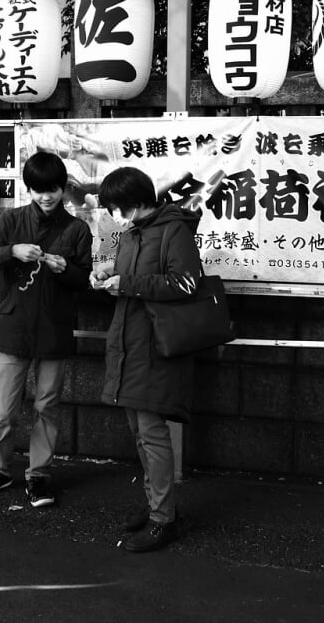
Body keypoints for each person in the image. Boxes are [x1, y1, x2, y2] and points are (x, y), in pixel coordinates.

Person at [0, 152, 93, 508]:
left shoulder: (77, 229)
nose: (46, 196)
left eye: (52, 189)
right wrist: (11, 251)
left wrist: (66, 269)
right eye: (38, 189)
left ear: (63, 188)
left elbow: (85, 281)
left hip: (54, 328)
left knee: (47, 406)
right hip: (13, 327)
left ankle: (39, 475)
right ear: (29, 189)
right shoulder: (11, 220)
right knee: (4, 408)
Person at [90, 166, 202, 552]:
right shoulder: (134, 233)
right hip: (129, 342)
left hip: (155, 346)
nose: (115, 215)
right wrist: (108, 272)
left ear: (137, 201)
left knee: (152, 434)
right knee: (139, 433)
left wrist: (128, 282)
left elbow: (186, 283)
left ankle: (163, 520)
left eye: (117, 207)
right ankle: (159, 505)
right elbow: (132, 275)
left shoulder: (175, 229)